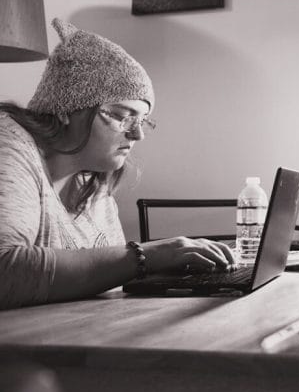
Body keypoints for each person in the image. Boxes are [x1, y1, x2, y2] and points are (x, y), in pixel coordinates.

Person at [0, 18, 234, 310]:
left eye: (143, 121)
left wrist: (170, 271)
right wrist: (147, 255)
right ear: (65, 108)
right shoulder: (8, 142)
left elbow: (111, 282)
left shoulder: (92, 182)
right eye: (123, 116)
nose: (137, 135)